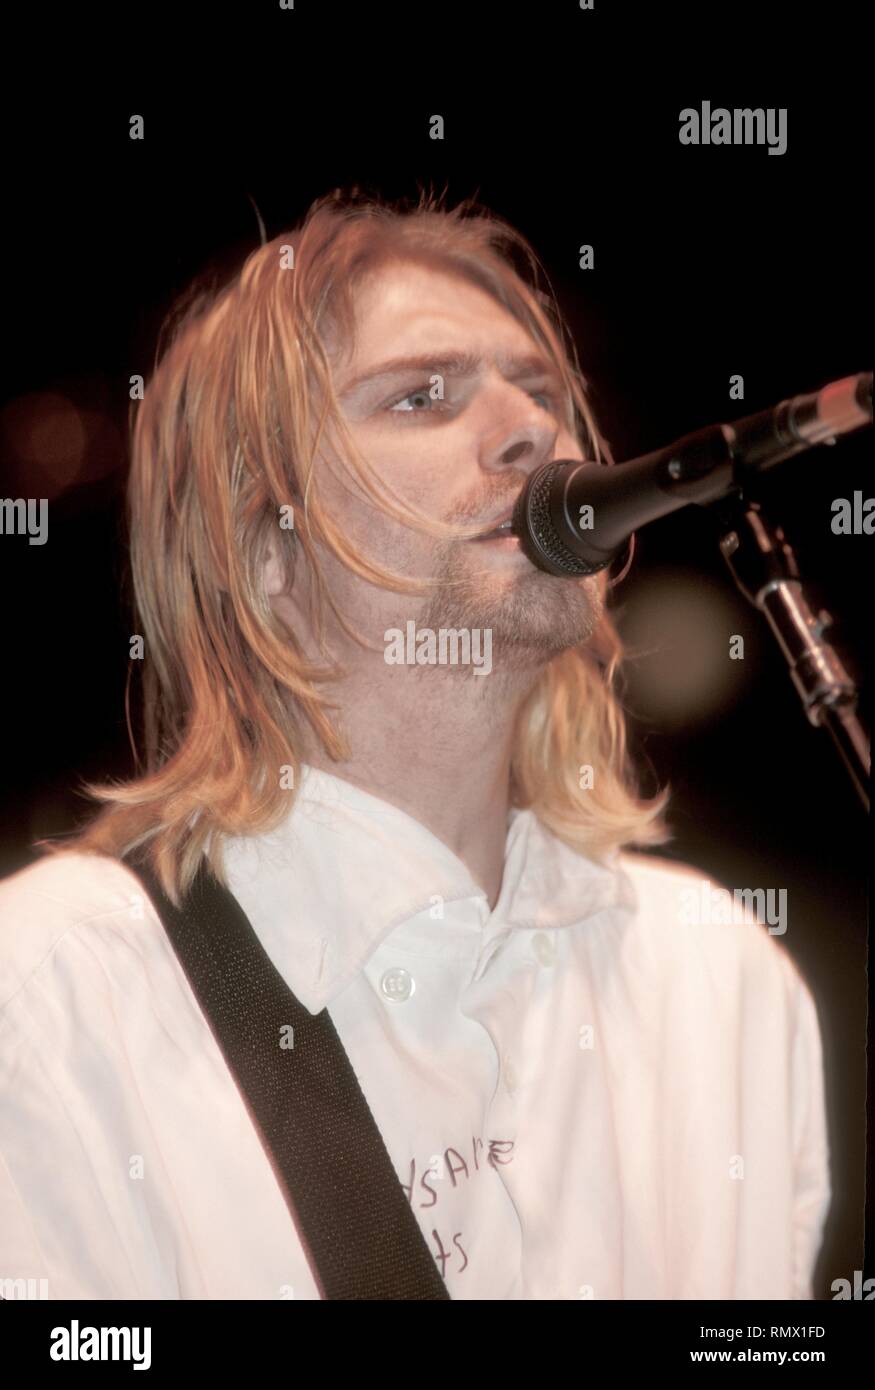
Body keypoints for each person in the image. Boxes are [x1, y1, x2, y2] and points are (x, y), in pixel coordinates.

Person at [0, 188, 830, 1301]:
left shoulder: (721, 981)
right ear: (264, 550)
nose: (530, 428)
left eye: (538, 388)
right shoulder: (54, 996)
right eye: (420, 396)